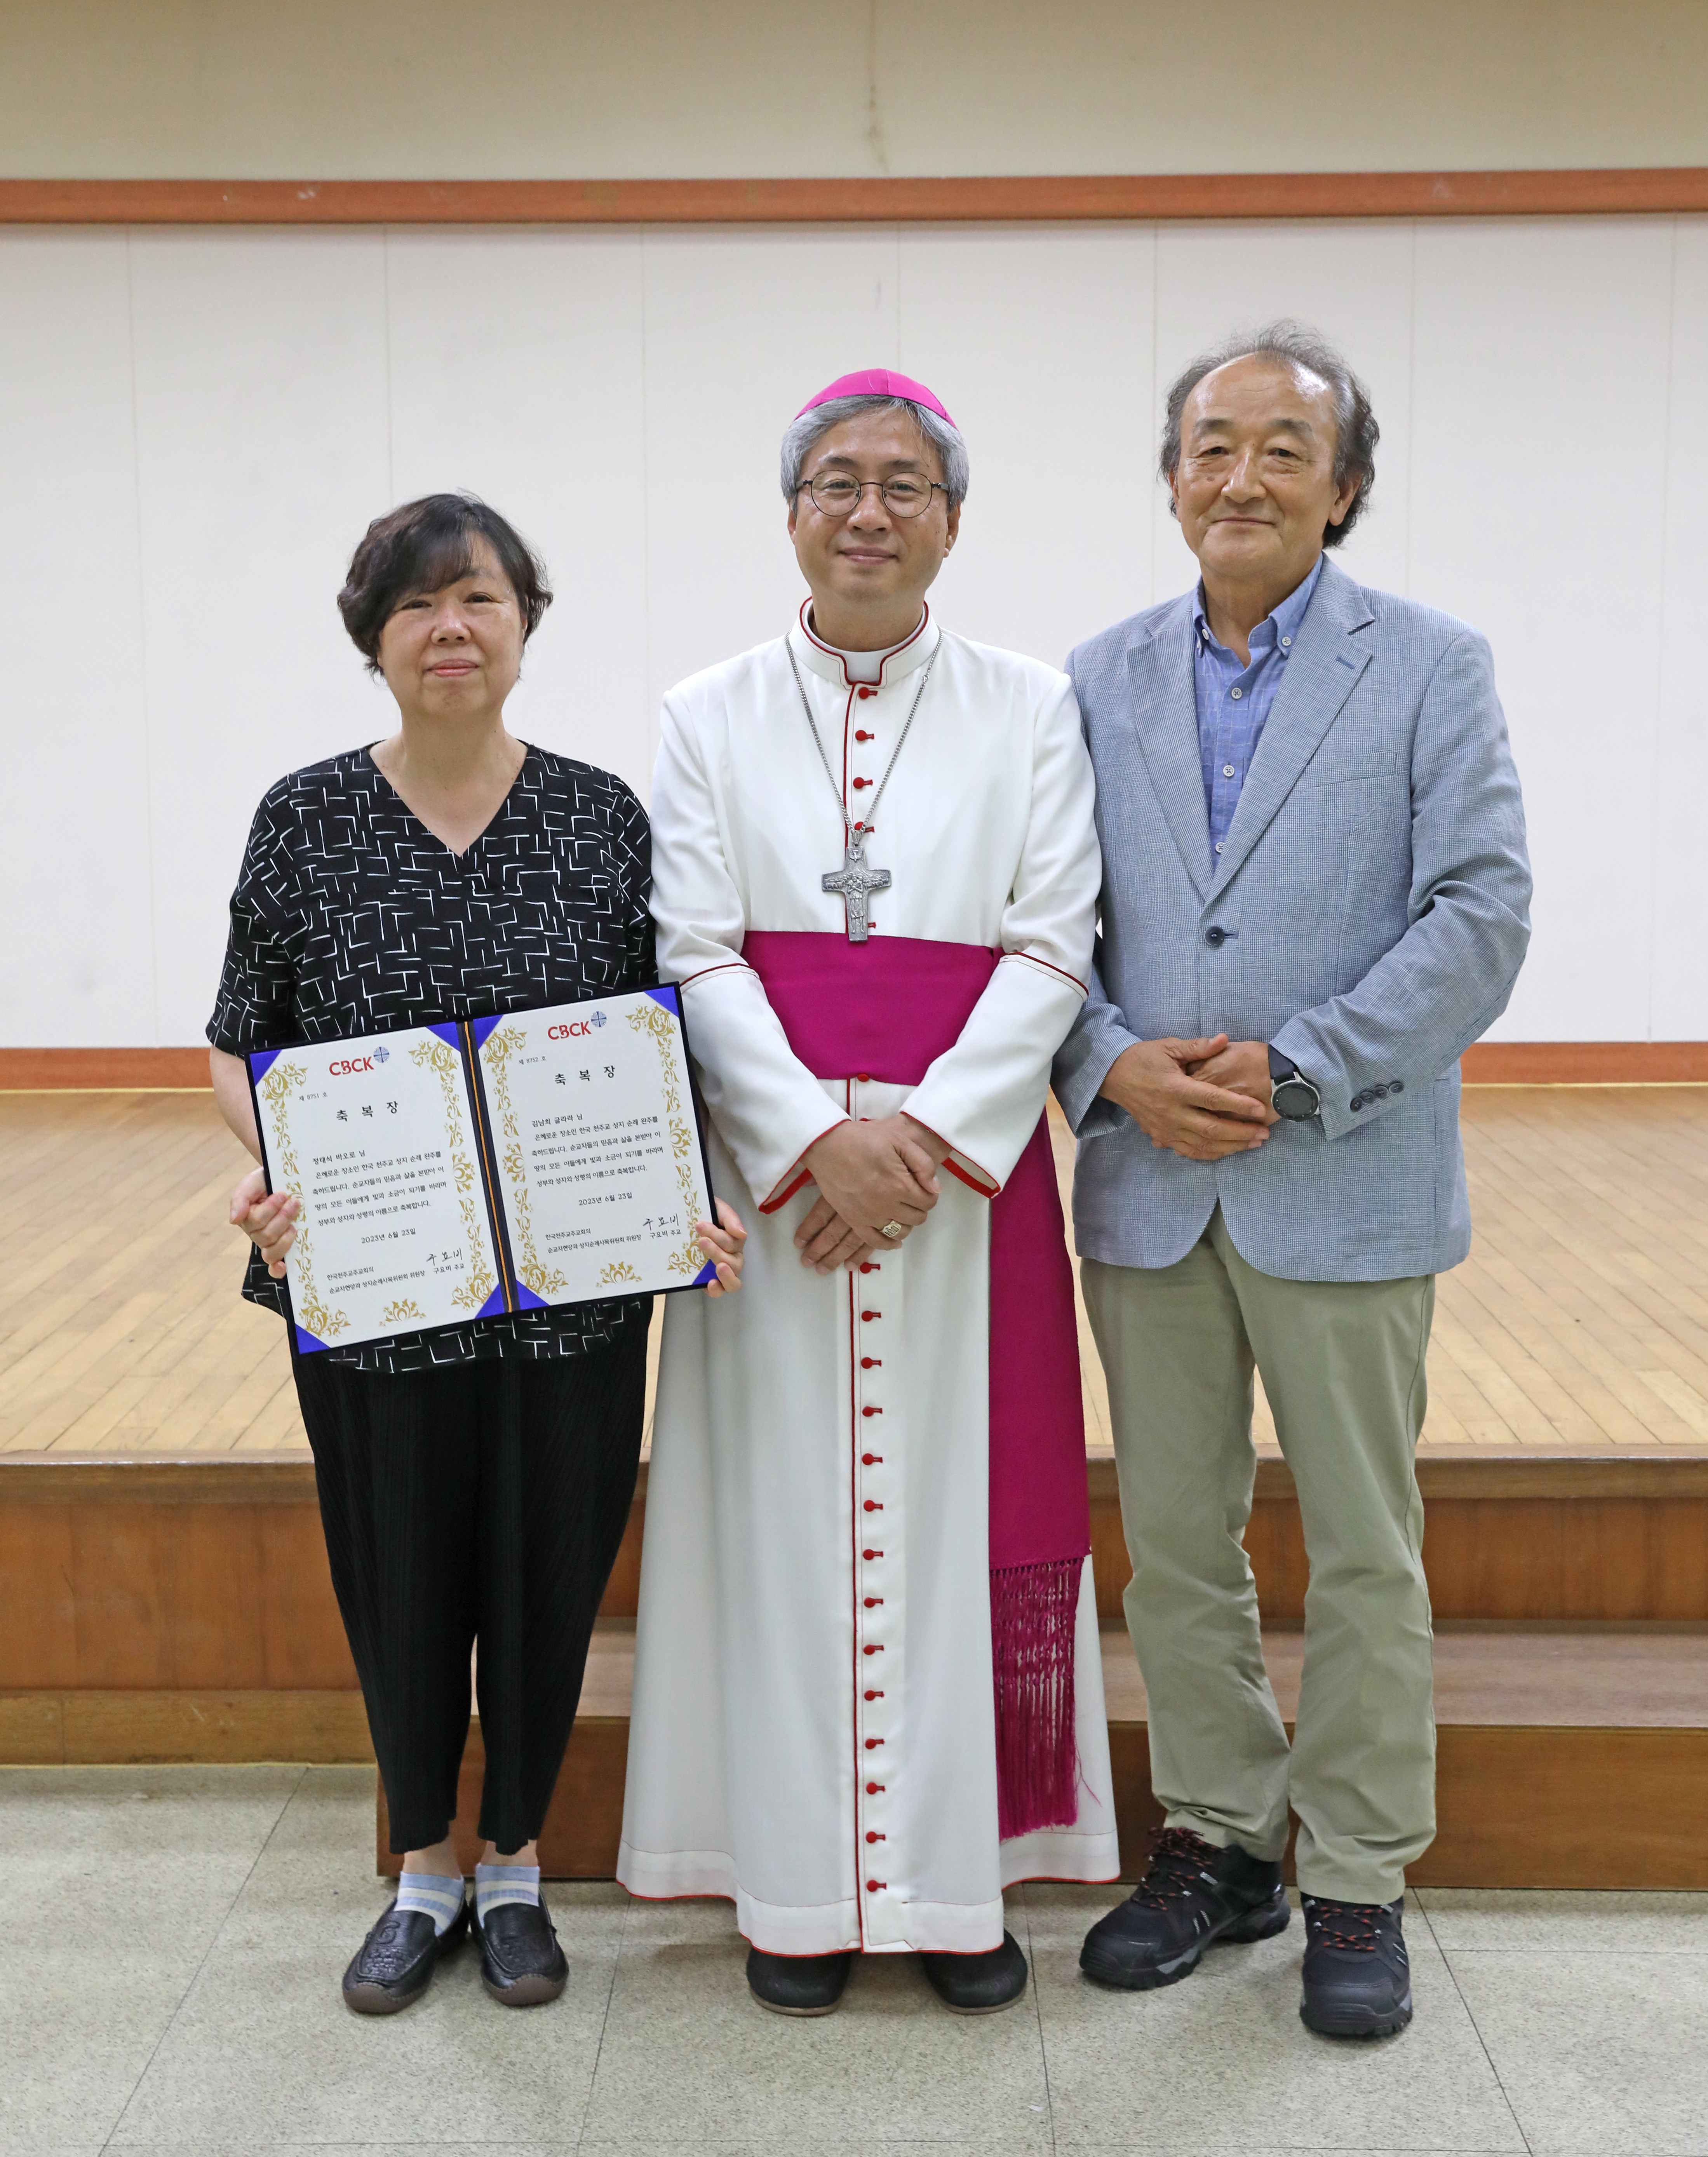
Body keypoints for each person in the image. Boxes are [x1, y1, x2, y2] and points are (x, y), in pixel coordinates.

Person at [617, 369, 1118, 2016]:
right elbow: (689, 946)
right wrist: (804, 1137)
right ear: (792, 515)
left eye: (905, 484)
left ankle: (954, 1891)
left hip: (957, 1199)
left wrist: (919, 1141)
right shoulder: (705, 712)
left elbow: (1055, 939)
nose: (869, 512)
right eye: (836, 481)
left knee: (964, 1517)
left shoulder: (1032, 706)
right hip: (781, 1198)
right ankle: (795, 1891)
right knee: (777, 1527)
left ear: (952, 521)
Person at [207, 493, 745, 2016]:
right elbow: (241, 1042)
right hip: (374, 1287)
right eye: (416, 606)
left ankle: (513, 1865)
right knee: (395, 1575)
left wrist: (682, 1200)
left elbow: (663, 1051)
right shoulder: (303, 819)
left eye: (481, 600)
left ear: (524, 624)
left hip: (570, 1292)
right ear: (373, 638)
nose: (452, 629)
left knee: (547, 1569)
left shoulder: (599, 818)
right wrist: (270, 1170)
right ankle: (422, 1869)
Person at [1053, 323, 1531, 2039]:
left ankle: (1356, 1875)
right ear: (1170, 480)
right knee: (1176, 1547)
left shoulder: (1430, 665)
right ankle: (1218, 1840)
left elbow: (1480, 913)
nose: (1240, 475)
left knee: (1361, 1551)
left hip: (1345, 1170)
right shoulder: (1088, 680)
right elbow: (1044, 930)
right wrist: (1107, 1060)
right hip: (1147, 1179)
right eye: (1210, 446)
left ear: (1343, 488)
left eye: (1280, 448)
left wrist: (1309, 1061)